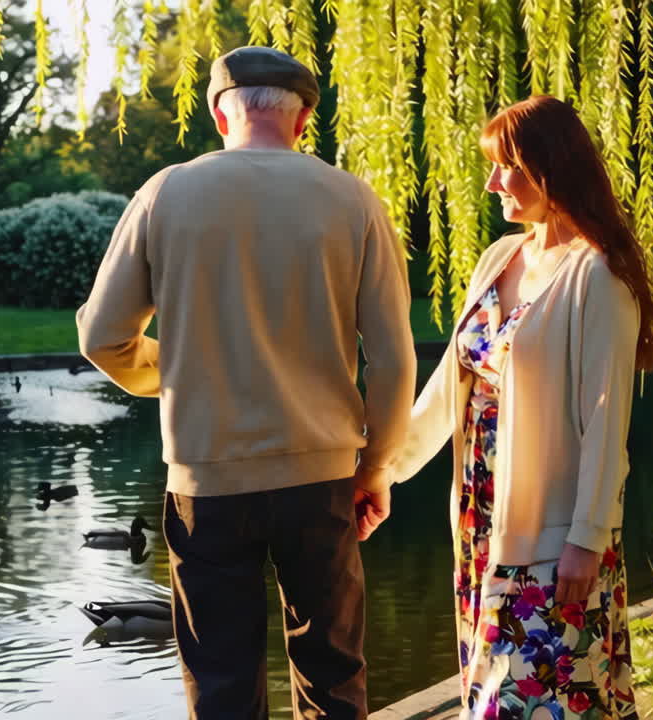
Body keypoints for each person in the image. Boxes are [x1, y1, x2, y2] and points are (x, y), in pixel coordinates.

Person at [76, 46, 416, 719]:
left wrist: (171, 375)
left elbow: (100, 338)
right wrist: (375, 466)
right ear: (303, 119)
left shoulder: (165, 192)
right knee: (332, 677)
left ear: (217, 114)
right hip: (320, 480)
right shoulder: (352, 199)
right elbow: (395, 360)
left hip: (207, 482)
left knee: (222, 684)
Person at [390, 95, 653, 719]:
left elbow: (605, 417)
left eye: (505, 167)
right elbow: (449, 385)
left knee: (534, 699)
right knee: (494, 683)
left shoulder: (598, 275)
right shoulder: (500, 258)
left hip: (555, 523)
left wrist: (587, 537)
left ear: (550, 167)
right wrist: (382, 468)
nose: (492, 184)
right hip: (481, 515)